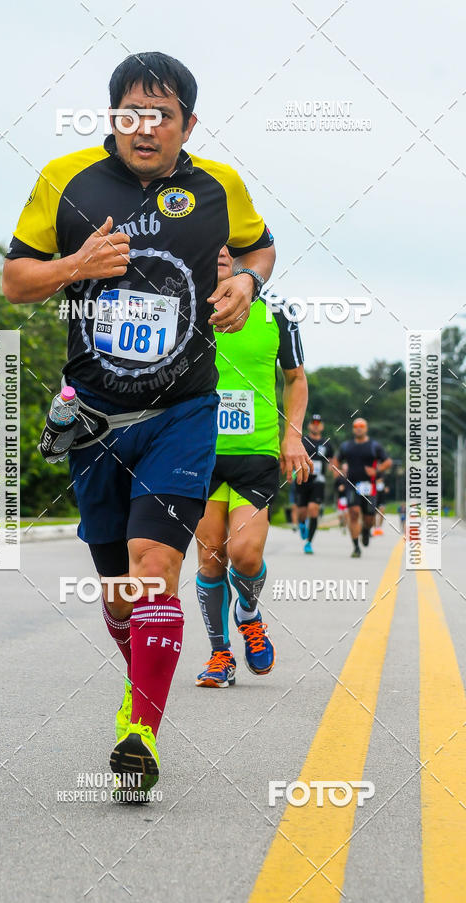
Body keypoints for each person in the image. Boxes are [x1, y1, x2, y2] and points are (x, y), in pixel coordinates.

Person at [2, 52, 275, 797]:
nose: (143, 127)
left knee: (155, 568)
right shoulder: (68, 181)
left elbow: (259, 245)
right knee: (121, 592)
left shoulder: (220, 186)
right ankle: (141, 686)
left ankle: (139, 731)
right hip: (94, 419)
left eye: (161, 114)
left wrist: (246, 281)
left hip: (183, 411)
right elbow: (15, 280)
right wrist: (75, 265)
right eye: (130, 112)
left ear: (189, 123)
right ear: (111, 116)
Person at [194, 254, 309, 686]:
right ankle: (220, 656)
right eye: (215, 247)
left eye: (232, 249)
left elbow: (296, 379)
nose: (221, 255)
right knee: (210, 558)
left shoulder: (277, 312)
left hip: (256, 452)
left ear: (248, 262)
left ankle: (249, 612)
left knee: (244, 553)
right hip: (199, 450)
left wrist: (292, 436)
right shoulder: (186, 307)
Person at [331, 418, 392, 558]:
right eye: (356, 426)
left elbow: (388, 462)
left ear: (366, 428)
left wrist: (377, 471)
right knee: (353, 512)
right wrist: (338, 473)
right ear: (353, 429)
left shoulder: (374, 446)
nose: (359, 428)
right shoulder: (347, 446)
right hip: (352, 485)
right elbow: (336, 461)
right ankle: (356, 547)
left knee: (369, 518)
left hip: (370, 486)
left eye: (362, 426)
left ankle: (366, 531)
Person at [296, 415, 334, 554]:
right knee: (302, 512)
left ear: (322, 426)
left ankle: (309, 543)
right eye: (313, 423)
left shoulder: (327, 443)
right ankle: (301, 523)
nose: (316, 425)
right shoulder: (302, 441)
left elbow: (332, 459)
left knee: (313, 509)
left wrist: (335, 470)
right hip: (303, 478)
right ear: (309, 426)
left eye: (318, 423)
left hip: (319, 480)